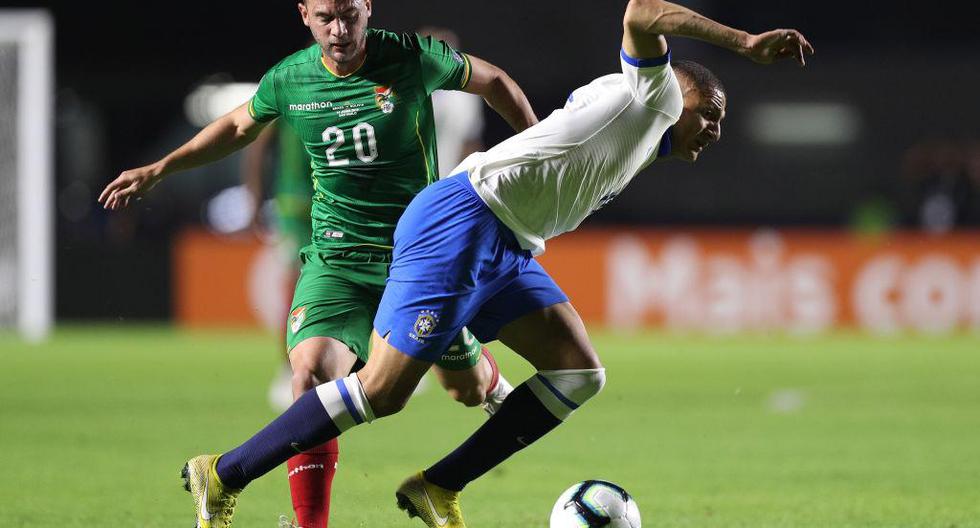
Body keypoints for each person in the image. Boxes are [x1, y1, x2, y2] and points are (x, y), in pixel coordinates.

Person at [166, 1, 814, 527]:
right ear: (685, 94)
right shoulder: (657, 98)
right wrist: (746, 42)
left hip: (508, 239)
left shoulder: (636, 117)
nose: (716, 131)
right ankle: (223, 473)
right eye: (716, 115)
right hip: (464, 219)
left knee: (578, 373)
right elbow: (642, 11)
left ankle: (437, 486)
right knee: (382, 393)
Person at [97, 1, 538, 527]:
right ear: (304, 14)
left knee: (463, 391)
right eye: (326, 16)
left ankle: (483, 376)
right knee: (309, 375)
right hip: (337, 263)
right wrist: (161, 168)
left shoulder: (412, 57)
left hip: (417, 261)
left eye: (350, 14)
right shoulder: (290, 79)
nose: (340, 29)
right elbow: (238, 127)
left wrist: (537, 150)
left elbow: (495, 81)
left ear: (368, 9)